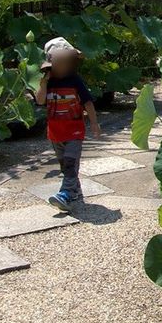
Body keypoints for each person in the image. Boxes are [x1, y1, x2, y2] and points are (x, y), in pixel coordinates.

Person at [34, 37, 101, 212]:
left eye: (66, 62)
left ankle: (65, 194)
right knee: (66, 166)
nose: (64, 66)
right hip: (55, 133)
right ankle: (75, 190)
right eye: (60, 62)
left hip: (74, 131)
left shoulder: (75, 80)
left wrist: (94, 123)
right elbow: (40, 101)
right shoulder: (47, 82)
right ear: (51, 62)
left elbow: (87, 102)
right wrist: (44, 82)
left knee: (71, 163)